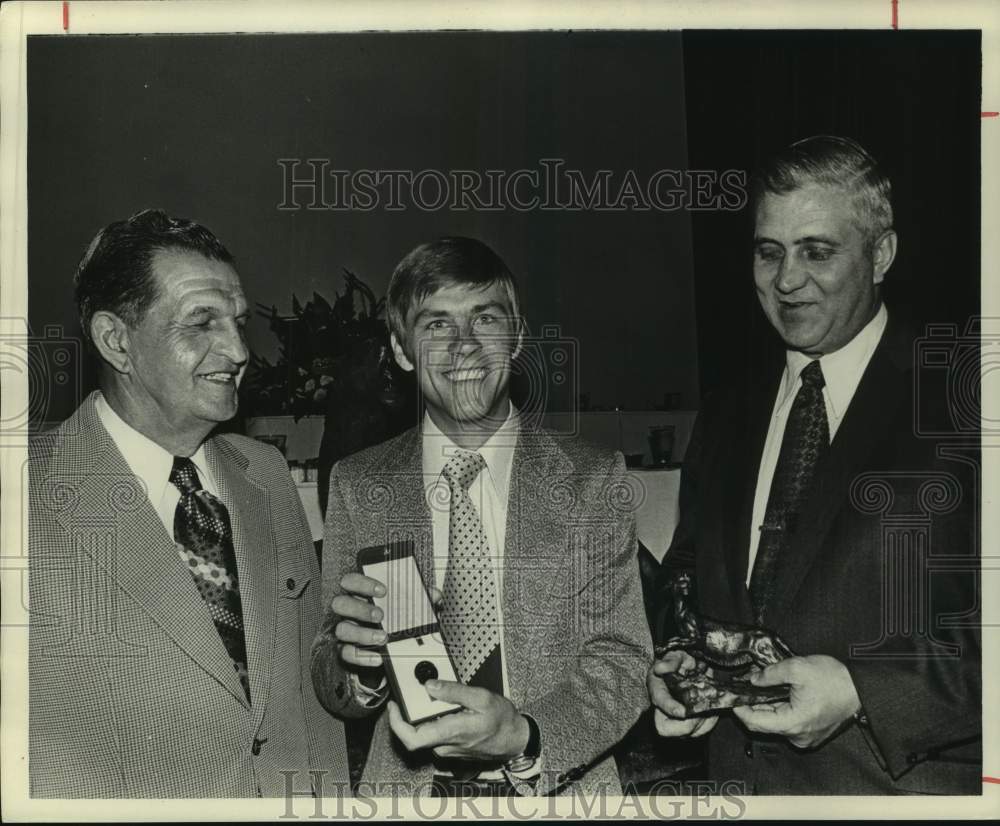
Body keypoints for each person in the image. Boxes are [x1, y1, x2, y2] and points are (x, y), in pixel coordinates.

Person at [648, 136, 980, 794]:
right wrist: (679, 664)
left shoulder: (962, 404)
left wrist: (861, 691)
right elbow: (687, 575)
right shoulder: (726, 413)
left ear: (881, 253)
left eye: (817, 251)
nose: (786, 279)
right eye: (768, 252)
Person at [310, 236, 652, 797]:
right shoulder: (359, 483)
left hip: (558, 789)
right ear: (401, 350)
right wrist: (362, 670)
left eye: (484, 319)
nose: (464, 346)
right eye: (437, 324)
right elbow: (329, 663)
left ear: (516, 337)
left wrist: (524, 736)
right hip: (405, 796)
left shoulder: (591, 480)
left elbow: (622, 657)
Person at [28, 209, 348, 797]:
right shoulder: (25, 494)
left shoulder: (268, 474)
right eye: (201, 323)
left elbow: (303, 693)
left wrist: (355, 659)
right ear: (115, 340)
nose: (236, 348)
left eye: (238, 322)